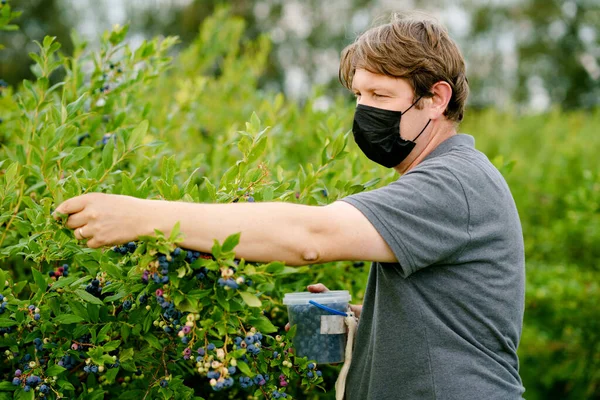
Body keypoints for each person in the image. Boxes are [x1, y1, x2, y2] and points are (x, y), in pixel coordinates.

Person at [53, 11, 525, 400]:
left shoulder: (454, 183)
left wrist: (142, 216)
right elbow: (453, 317)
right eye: (359, 95)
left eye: (381, 96)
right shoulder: (445, 177)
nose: (365, 111)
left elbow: (311, 238)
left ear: (436, 98)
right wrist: (368, 322)